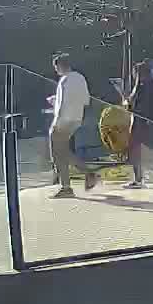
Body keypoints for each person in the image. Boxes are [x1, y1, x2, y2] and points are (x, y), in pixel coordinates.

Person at [48, 54, 98, 197]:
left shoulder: (64, 80)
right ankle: (85, 174)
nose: (56, 70)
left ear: (60, 66)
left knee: (58, 153)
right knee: (62, 151)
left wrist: (55, 121)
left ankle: (68, 185)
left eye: (56, 67)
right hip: (76, 119)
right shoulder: (80, 78)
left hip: (63, 120)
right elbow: (86, 100)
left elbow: (63, 104)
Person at [124, 59, 153, 188]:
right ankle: (142, 177)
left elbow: (134, 105)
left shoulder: (140, 86)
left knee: (135, 150)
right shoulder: (150, 85)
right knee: (141, 150)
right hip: (146, 122)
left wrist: (127, 103)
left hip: (139, 121)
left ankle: (138, 179)